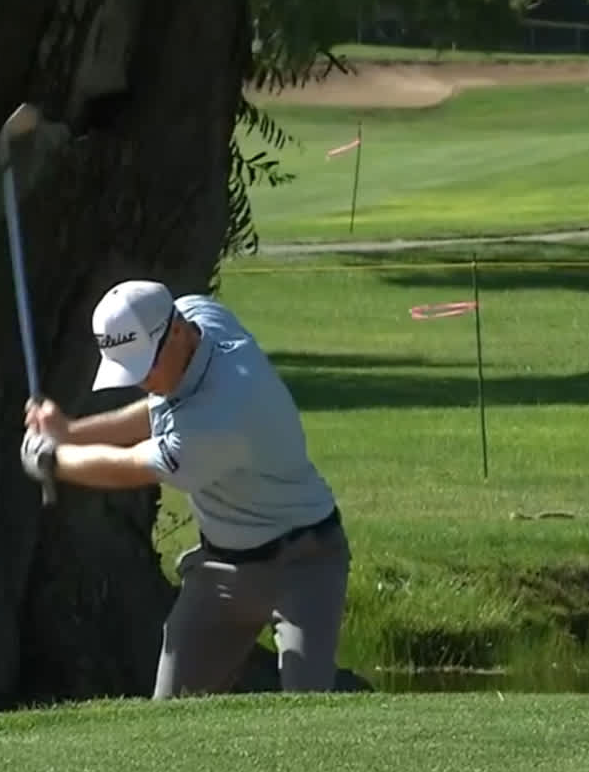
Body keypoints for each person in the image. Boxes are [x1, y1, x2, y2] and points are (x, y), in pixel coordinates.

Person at [18, 279, 350, 698]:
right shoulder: (198, 317)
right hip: (222, 573)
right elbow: (161, 409)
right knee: (171, 717)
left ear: (176, 331)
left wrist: (52, 460)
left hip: (306, 564)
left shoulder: (226, 411)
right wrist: (68, 432)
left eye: (146, 366)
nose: (142, 381)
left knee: (310, 709)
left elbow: (128, 468)